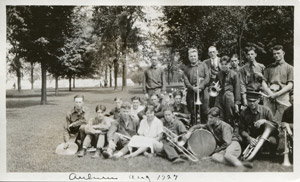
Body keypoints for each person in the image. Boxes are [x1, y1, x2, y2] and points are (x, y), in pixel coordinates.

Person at [185, 107, 252, 169]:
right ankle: (238, 163)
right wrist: (189, 133)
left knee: (227, 155)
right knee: (215, 157)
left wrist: (215, 151)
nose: (209, 120)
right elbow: (197, 126)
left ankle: (241, 167)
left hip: (233, 144)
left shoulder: (225, 126)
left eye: (211, 118)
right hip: (224, 148)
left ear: (217, 117)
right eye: (208, 117)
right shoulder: (210, 125)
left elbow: (227, 143)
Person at [239, 91, 279, 158]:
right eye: (249, 101)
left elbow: (275, 125)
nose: (252, 103)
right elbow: (241, 130)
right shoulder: (243, 113)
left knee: (273, 141)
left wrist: (265, 121)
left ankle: (272, 156)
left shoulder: (266, 110)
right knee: (239, 139)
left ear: (258, 100)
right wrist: (249, 138)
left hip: (266, 137)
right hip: (252, 137)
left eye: (254, 101)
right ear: (247, 100)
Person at [263, 45, 294, 122]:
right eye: (274, 54)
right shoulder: (269, 67)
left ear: (283, 53)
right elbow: (263, 82)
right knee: (267, 116)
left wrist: (276, 94)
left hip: (282, 95)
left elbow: (290, 85)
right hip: (270, 94)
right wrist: (270, 93)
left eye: (278, 53)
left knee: (285, 117)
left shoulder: (290, 68)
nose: (276, 55)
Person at [183, 48, 210, 124]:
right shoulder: (186, 68)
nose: (193, 58)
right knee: (192, 112)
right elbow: (186, 81)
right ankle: (194, 128)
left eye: (195, 56)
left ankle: (205, 129)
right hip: (191, 92)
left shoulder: (203, 65)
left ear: (197, 56)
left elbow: (207, 77)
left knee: (204, 112)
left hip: (203, 91)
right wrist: (193, 88)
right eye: (191, 56)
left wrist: (200, 87)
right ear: (189, 57)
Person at [214, 56, 241, 127]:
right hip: (220, 96)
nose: (223, 66)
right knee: (220, 114)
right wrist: (215, 88)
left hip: (229, 96)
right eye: (222, 64)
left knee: (230, 115)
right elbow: (214, 84)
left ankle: (230, 130)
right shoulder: (218, 74)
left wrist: (237, 103)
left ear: (229, 64)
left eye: (225, 64)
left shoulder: (234, 74)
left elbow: (237, 89)